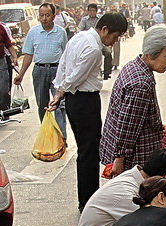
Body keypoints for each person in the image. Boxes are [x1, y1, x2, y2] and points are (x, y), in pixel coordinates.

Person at [50, 11, 128, 211]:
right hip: (85, 101)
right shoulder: (93, 48)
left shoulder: (78, 37)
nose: (114, 41)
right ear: (104, 30)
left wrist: (60, 91)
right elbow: (75, 76)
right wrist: (61, 91)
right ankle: (88, 200)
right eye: (115, 36)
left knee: (86, 151)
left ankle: (87, 198)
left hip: (75, 101)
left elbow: (63, 66)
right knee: (89, 152)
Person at [100, 25, 166, 176]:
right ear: (151, 54)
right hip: (135, 159)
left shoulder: (134, 66)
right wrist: (120, 159)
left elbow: (138, 115)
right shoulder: (141, 84)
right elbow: (128, 126)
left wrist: (156, 126)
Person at [15, 3, 68, 139]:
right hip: (39, 70)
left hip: (57, 71)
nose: (44, 18)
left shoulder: (61, 32)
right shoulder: (33, 32)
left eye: (47, 15)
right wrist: (21, 74)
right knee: (42, 104)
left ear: (53, 16)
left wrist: (66, 74)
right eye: (41, 15)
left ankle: (61, 137)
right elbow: (28, 56)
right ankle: (47, 136)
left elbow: (66, 56)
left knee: (59, 104)